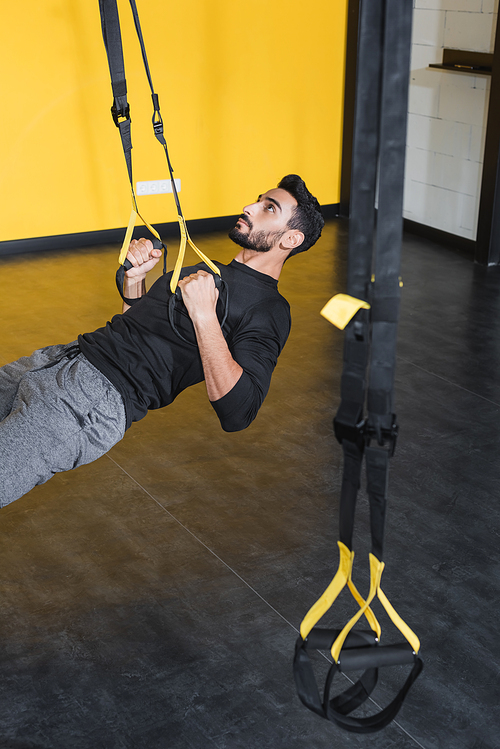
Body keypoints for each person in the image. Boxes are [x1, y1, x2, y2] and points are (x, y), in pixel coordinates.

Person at [0, 174, 324, 505]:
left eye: (269, 208)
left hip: (89, 401)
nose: (249, 207)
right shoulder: (205, 270)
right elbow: (137, 327)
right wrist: (134, 280)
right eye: (258, 199)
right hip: (57, 360)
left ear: (291, 239)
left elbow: (239, 411)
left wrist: (204, 315)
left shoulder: (268, 309)